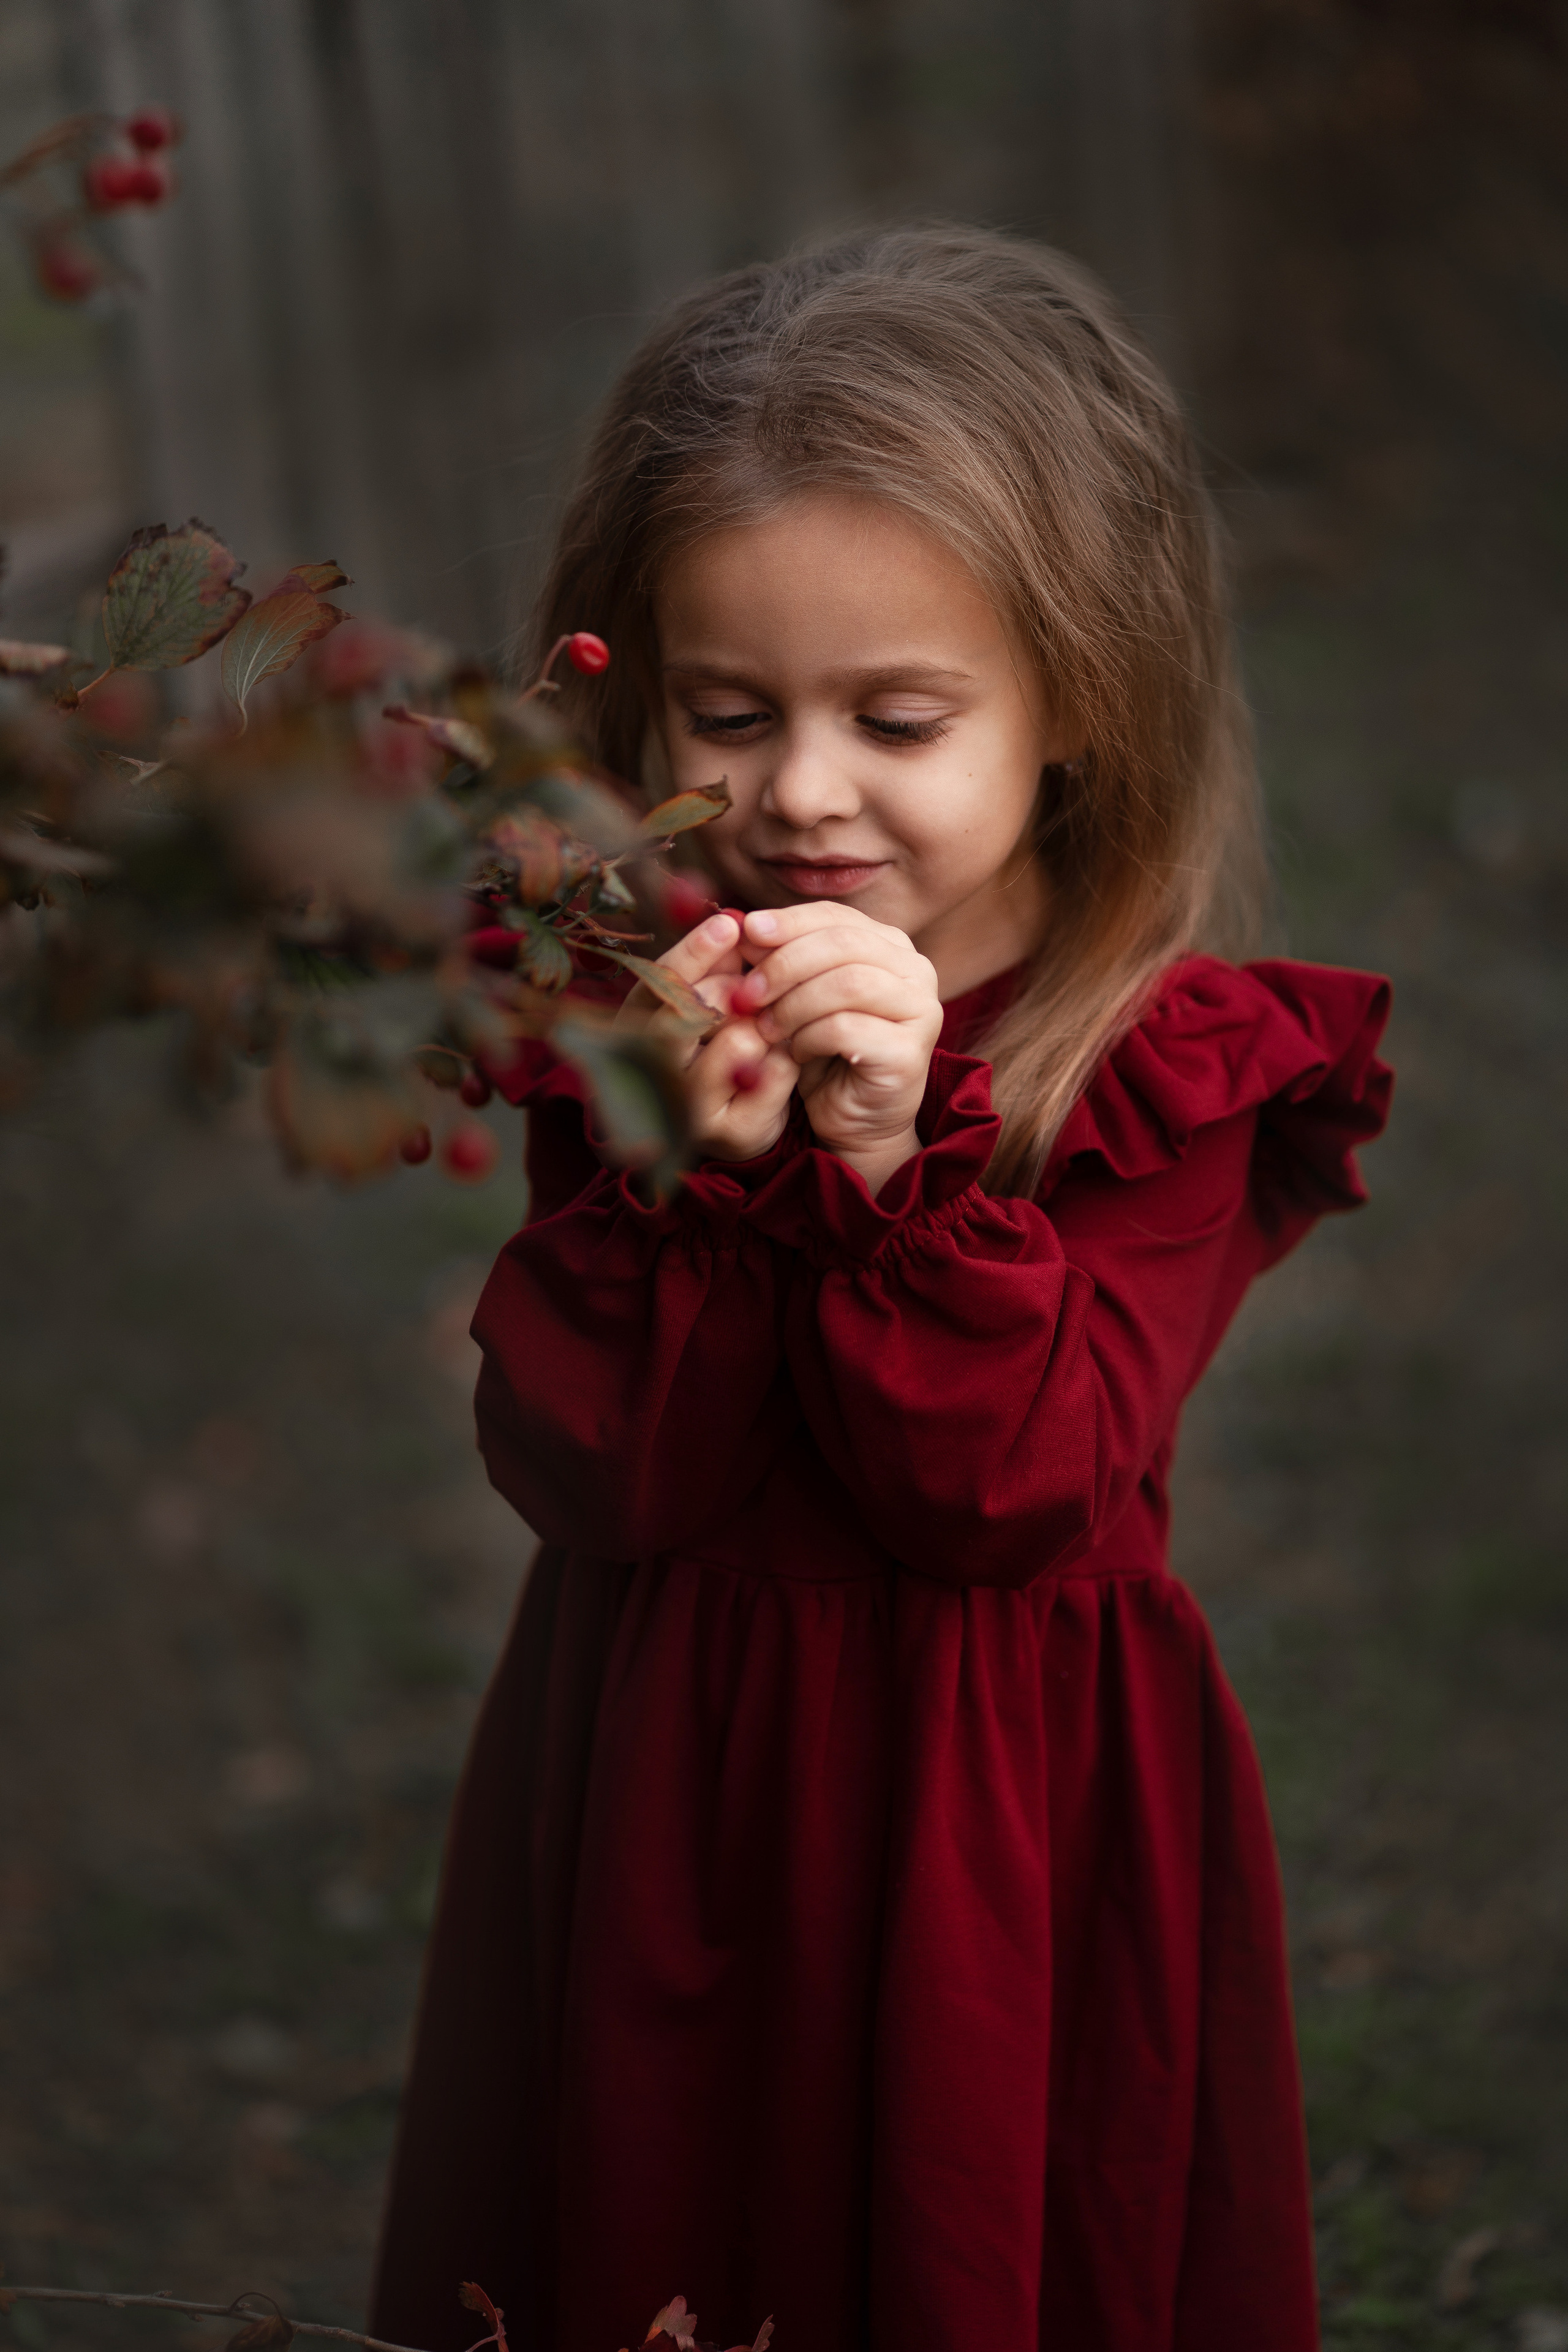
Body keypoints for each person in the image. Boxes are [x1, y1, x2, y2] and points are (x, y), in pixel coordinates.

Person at [370, 225, 1392, 2352]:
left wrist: (883, 1162)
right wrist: (689, 1175)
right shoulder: (632, 1002)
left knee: (970, 2253)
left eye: (899, 716)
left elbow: (1011, 1486)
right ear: (632, 689)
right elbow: (597, 1475)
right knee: (651, 2223)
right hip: (664, 1784)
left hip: (999, 1846)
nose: (800, 794)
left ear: (1079, 707)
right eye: (727, 712)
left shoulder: (1156, 1068)